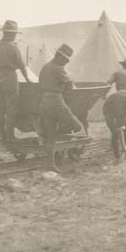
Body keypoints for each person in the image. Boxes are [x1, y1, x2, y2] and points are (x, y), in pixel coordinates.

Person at [38, 44, 84, 172]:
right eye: (65, 60)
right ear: (59, 57)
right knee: (77, 126)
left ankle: (50, 164)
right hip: (56, 101)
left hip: (44, 102)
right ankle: (74, 149)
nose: (65, 63)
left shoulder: (45, 67)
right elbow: (70, 86)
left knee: (51, 136)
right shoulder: (58, 68)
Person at [0, 20, 33, 144]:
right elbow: (22, 66)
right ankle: (10, 136)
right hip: (10, 78)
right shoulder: (13, 47)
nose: (14, 36)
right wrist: (28, 79)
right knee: (11, 109)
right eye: (14, 33)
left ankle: (3, 137)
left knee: (0, 111)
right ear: (11, 34)